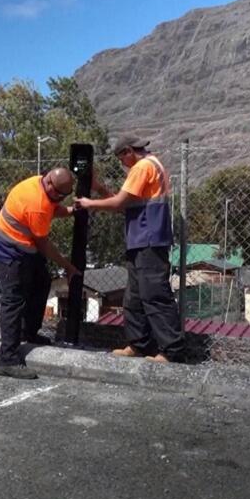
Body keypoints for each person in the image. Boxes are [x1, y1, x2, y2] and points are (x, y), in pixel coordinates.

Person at [75, 135, 184, 363]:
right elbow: (123, 204)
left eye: (120, 158)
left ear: (128, 152)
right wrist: (100, 189)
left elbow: (118, 204)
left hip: (149, 239)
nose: (121, 163)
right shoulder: (152, 165)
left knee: (154, 294)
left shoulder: (142, 167)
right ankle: (139, 344)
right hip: (141, 239)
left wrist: (88, 203)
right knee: (134, 296)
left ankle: (171, 350)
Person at [0, 167, 81, 379]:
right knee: (13, 299)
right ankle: (8, 359)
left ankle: (28, 332)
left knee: (41, 281)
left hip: (23, 246)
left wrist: (70, 211)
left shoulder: (40, 183)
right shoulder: (37, 204)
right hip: (9, 249)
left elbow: (53, 207)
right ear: (52, 187)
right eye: (62, 196)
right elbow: (44, 245)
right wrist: (67, 265)